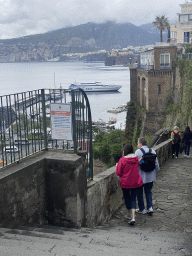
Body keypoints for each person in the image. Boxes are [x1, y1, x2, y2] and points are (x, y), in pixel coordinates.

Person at [116, 144, 143, 225]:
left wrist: (118, 165)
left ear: (125, 151)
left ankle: (129, 214)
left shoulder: (122, 160)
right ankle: (133, 217)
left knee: (127, 198)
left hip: (125, 182)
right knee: (133, 198)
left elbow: (118, 172)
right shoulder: (136, 159)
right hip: (135, 181)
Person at [135, 137, 159, 215]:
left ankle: (142, 209)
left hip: (140, 176)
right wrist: (155, 174)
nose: (137, 144)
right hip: (150, 176)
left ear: (141, 143)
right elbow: (156, 165)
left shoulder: (138, 152)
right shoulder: (153, 151)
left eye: (138, 143)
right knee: (148, 192)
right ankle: (150, 208)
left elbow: (135, 165)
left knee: (139, 193)